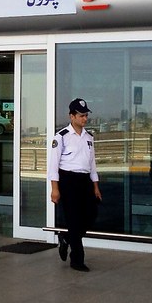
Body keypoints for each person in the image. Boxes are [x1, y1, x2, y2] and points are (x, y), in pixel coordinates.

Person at [49, 98, 102, 272]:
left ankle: (66, 237)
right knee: (73, 219)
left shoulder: (89, 137)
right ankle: (77, 260)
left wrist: (95, 186)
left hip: (85, 180)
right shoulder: (61, 137)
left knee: (90, 215)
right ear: (72, 116)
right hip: (68, 180)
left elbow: (92, 163)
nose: (84, 119)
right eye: (81, 115)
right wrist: (54, 188)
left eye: (86, 115)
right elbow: (53, 165)